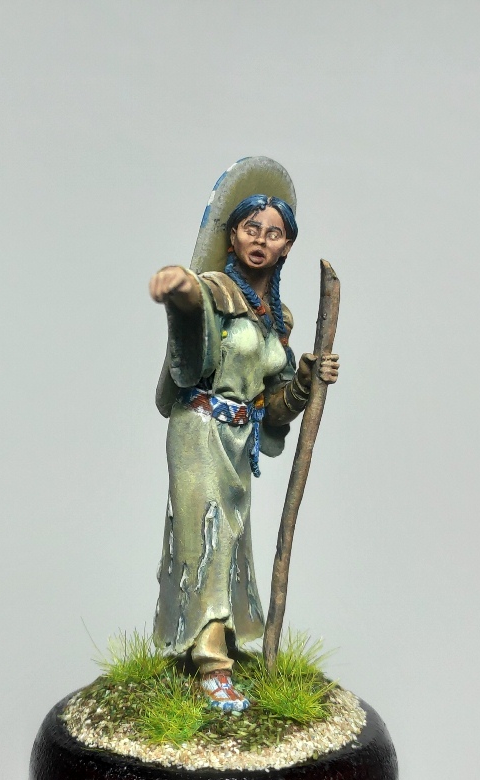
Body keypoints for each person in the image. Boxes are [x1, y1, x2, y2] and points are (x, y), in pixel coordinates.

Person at [149, 194, 339, 711]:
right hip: (198, 430)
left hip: (239, 441)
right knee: (205, 534)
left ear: (286, 246)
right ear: (232, 237)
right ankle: (213, 664)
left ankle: (216, 636)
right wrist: (178, 284)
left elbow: (274, 409)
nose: (260, 239)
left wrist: (304, 381)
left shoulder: (278, 319)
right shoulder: (215, 291)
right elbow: (192, 310)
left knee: (231, 540)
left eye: (272, 233)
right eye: (251, 228)